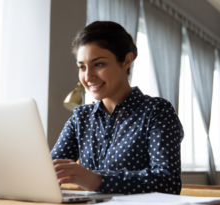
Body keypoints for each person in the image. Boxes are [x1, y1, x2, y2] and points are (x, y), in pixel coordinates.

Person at [51, 21, 184, 195]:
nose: (88, 76)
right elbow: (50, 171)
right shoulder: (80, 117)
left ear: (126, 61)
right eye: (82, 67)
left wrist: (97, 179)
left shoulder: (157, 111)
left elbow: (168, 182)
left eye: (98, 64)